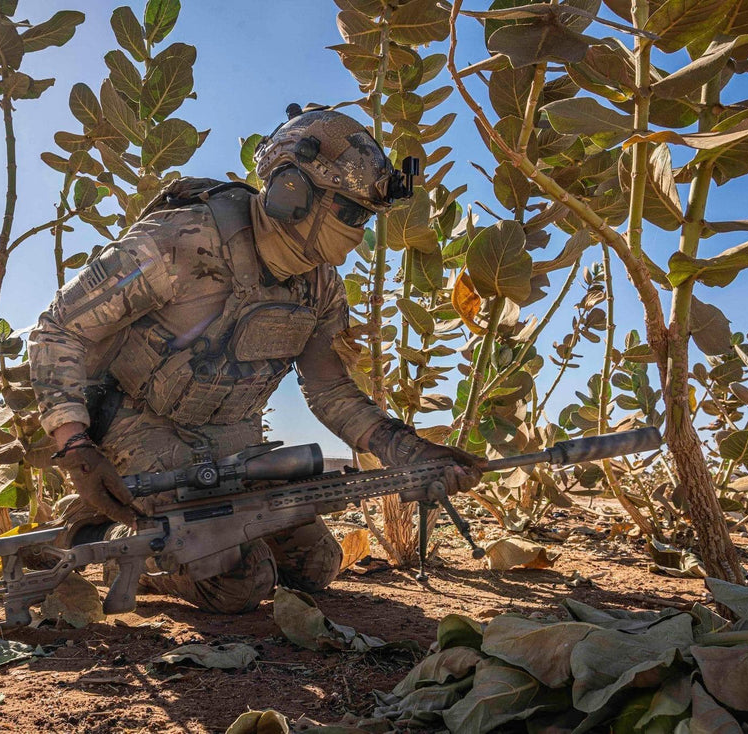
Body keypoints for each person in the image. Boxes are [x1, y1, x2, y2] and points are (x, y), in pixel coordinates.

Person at [27, 103, 482, 614]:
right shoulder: (180, 241)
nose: (358, 231)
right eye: (351, 213)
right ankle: (104, 538)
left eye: (366, 218)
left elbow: (329, 389)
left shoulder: (321, 286)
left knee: (315, 566)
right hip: (141, 427)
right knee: (239, 586)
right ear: (292, 191)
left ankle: (165, 531)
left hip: (233, 441)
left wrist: (408, 450)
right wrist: (76, 448)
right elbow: (58, 328)